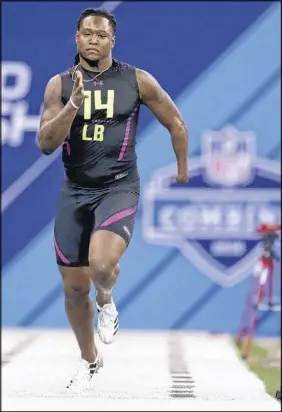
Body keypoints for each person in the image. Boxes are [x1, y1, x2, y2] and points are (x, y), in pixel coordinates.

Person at [38, 8, 188, 391]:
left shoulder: (136, 80)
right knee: (73, 289)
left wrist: (182, 170)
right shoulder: (58, 85)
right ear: (76, 38)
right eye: (86, 33)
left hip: (118, 186)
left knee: (101, 264)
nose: (93, 39)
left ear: (112, 41)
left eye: (101, 35)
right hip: (74, 191)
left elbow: (176, 123)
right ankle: (89, 360)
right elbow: (45, 144)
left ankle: (107, 300)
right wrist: (73, 104)